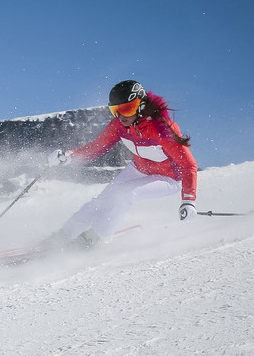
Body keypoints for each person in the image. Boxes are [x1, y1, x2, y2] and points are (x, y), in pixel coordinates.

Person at [45, 80, 198, 246]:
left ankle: (94, 240)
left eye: (127, 109)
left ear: (141, 105)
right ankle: (63, 236)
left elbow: (189, 165)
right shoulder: (119, 125)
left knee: (125, 194)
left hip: (170, 178)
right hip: (138, 169)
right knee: (101, 201)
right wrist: (69, 156)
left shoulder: (162, 129)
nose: (121, 116)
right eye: (115, 110)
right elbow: (96, 147)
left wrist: (188, 201)